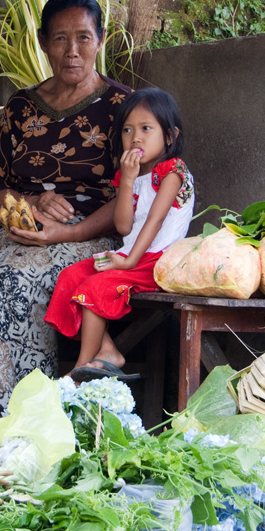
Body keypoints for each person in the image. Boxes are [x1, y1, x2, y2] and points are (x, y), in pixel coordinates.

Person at [0, 0, 133, 416]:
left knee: (8, 287)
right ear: (43, 42)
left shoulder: (124, 108)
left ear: (101, 39)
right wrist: (32, 200)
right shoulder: (22, 106)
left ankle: (26, 415)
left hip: (92, 234)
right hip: (24, 228)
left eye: (83, 37)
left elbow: (132, 198)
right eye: (60, 39)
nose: (72, 52)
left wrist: (68, 230)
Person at [43, 88, 195, 382]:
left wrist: (127, 263)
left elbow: (155, 220)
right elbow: (124, 226)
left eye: (146, 128)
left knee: (96, 287)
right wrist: (126, 180)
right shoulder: (135, 176)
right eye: (127, 130)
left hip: (159, 262)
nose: (135, 137)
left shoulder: (173, 171)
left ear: (169, 136)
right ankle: (108, 350)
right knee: (70, 278)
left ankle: (81, 367)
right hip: (132, 256)